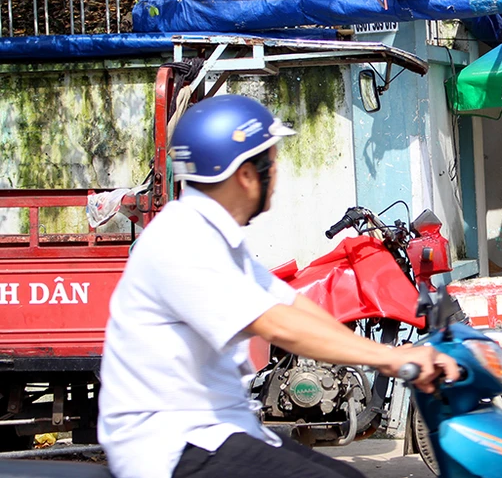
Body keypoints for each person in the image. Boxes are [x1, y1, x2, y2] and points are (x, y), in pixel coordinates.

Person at [98, 94, 458, 478]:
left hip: (219, 430)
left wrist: (398, 355)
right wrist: (392, 359)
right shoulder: (181, 240)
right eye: (271, 162)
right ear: (246, 175)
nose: (277, 173)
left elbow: (294, 307)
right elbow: (277, 324)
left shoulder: (216, 238)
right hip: (170, 444)